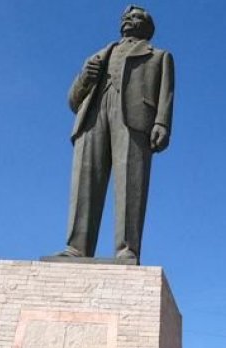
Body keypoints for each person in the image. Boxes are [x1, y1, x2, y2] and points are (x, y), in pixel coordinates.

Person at [56, 5, 174, 263]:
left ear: (148, 26)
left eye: (135, 17)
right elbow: (73, 101)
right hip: (93, 115)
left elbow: (166, 94)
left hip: (134, 119)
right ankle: (77, 247)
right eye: (125, 17)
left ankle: (127, 249)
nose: (128, 20)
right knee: (85, 182)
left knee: (131, 183)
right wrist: (85, 78)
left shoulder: (159, 56)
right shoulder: (99, 55)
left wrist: (162, 123)